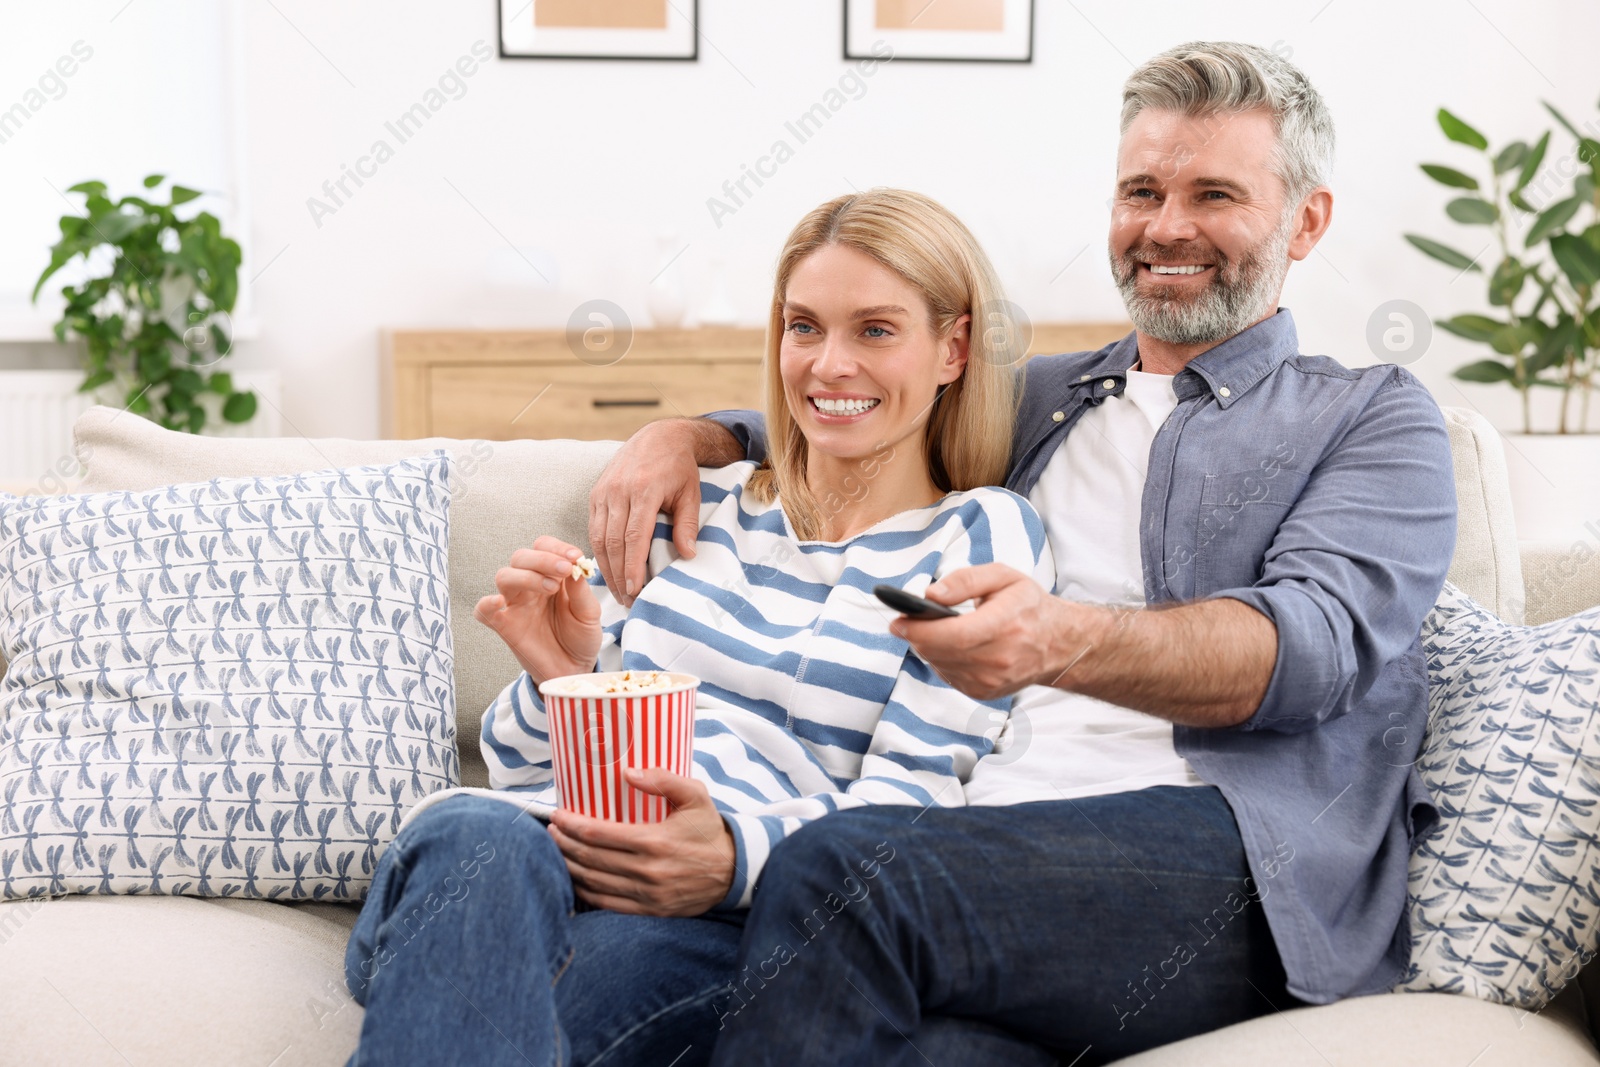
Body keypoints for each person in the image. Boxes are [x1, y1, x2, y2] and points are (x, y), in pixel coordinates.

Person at [588, 42, 1458, 1065]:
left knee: (834, 871)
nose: (1167, 226)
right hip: (983, 855)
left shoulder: (1371, 418)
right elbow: (855, 398)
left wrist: (1056, 641)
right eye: (1142, 191)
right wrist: (686, 436)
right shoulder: (1045, 395)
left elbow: (1304, 650)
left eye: (1214, 193)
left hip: (1226, 865)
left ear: (1304, 220)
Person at [340, 189, 1058, 1066]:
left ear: (953, 348)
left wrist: (729, 857)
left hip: (711, 921)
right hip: (513, 864)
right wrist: (558, 682)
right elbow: (529, 774)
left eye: (875, 330)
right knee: (475, 832)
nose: (829, 365)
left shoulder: (978, 537)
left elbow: (913, 809)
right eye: (804, 327)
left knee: (568, 986)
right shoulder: (697, 507)